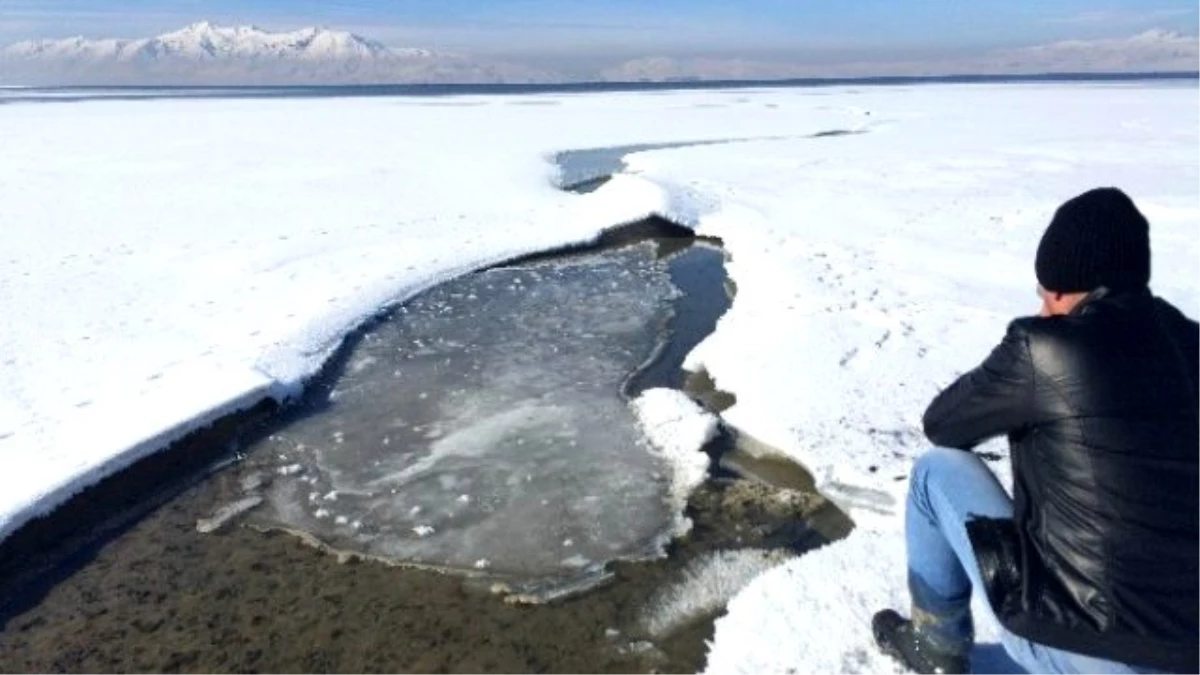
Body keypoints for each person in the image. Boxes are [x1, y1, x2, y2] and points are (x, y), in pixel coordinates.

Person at [871, 187, 1200, 675]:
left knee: (934, 473)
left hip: (1094, 648)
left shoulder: (1046, 348)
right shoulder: (1189, 343)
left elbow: (944, 424)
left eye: (1047, 293)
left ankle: (936, 646)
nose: (1044, 306)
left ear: (1067, 289)